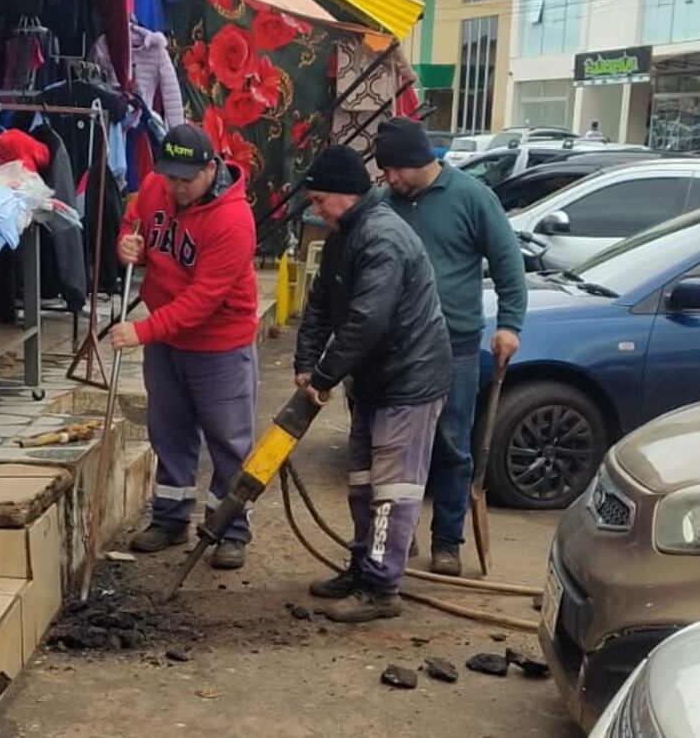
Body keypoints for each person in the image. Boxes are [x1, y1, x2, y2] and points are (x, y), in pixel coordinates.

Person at [295, 145, 452, 623]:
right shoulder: (347, 233)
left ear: (346, 195)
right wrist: (305, 362)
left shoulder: (382, 238)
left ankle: (382, 588)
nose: (315, 210)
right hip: (375, 380)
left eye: (321, 200)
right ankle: (364, 567)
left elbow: (367, 321)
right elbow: (321, 302)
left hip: (409, 380)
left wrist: (324, 375)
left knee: (393, 489)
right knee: (362, 483)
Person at [376, 117, 527, 576]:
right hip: (395, 345)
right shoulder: (385, 203)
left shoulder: (473, 198)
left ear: (421, 160)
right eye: (384, 171)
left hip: (454, 342)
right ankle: (398, 537)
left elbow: (508, 264)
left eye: (396, 169)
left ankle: (448, 541)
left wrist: (510, 324)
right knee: (393, 446)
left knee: (452, 443)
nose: (389, 179)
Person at [110, 123, 258, 570]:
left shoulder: (233, 220)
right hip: (167, 339)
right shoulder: (157, 187)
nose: (175, 188)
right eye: (170, 177)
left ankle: (230, 528)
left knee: (228, 440)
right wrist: (126, 245)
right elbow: (132, 222)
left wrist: (143, 330)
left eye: (185, 179)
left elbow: (203, 300)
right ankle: (170, 518)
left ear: (210, 169)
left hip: (219, 343)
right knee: (168, 430)